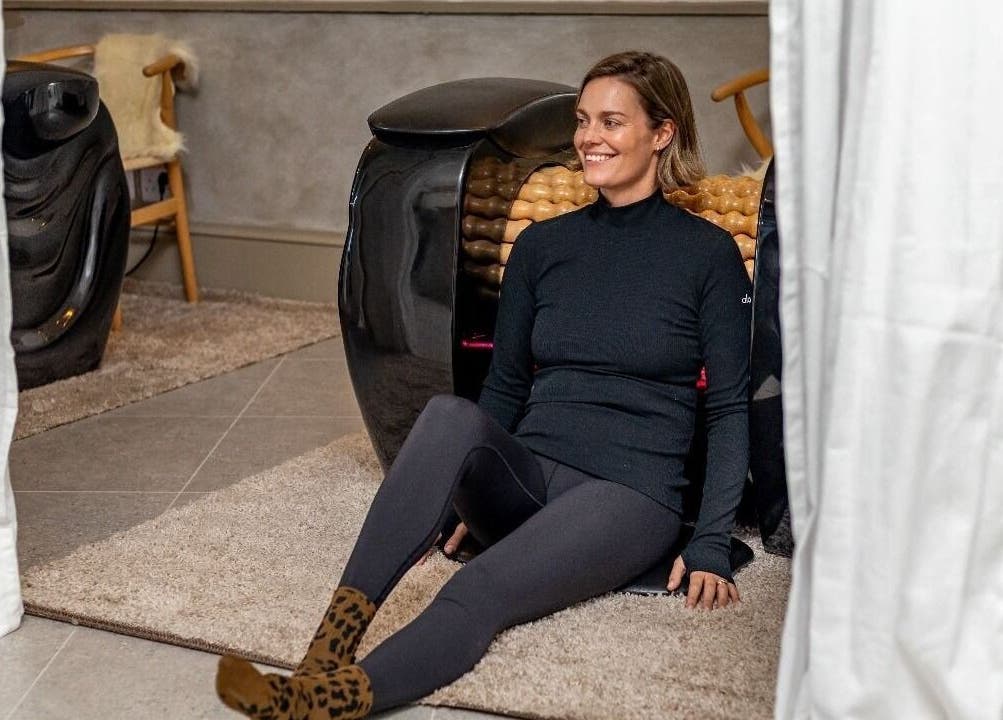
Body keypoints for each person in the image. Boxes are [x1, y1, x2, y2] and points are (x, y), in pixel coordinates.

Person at [215, 50, 752, 720]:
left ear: (662, 133)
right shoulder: (543, 246)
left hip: (627, 493)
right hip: (532, 472)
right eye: (583, 120)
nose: (589, 137)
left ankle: (322, 702)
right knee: (449, 415)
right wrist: (450, 495)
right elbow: (504, 386)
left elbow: (728, 409)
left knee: (476, 591)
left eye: (611, 122)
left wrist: (709, 541)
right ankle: (322, 654)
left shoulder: (706, 256)